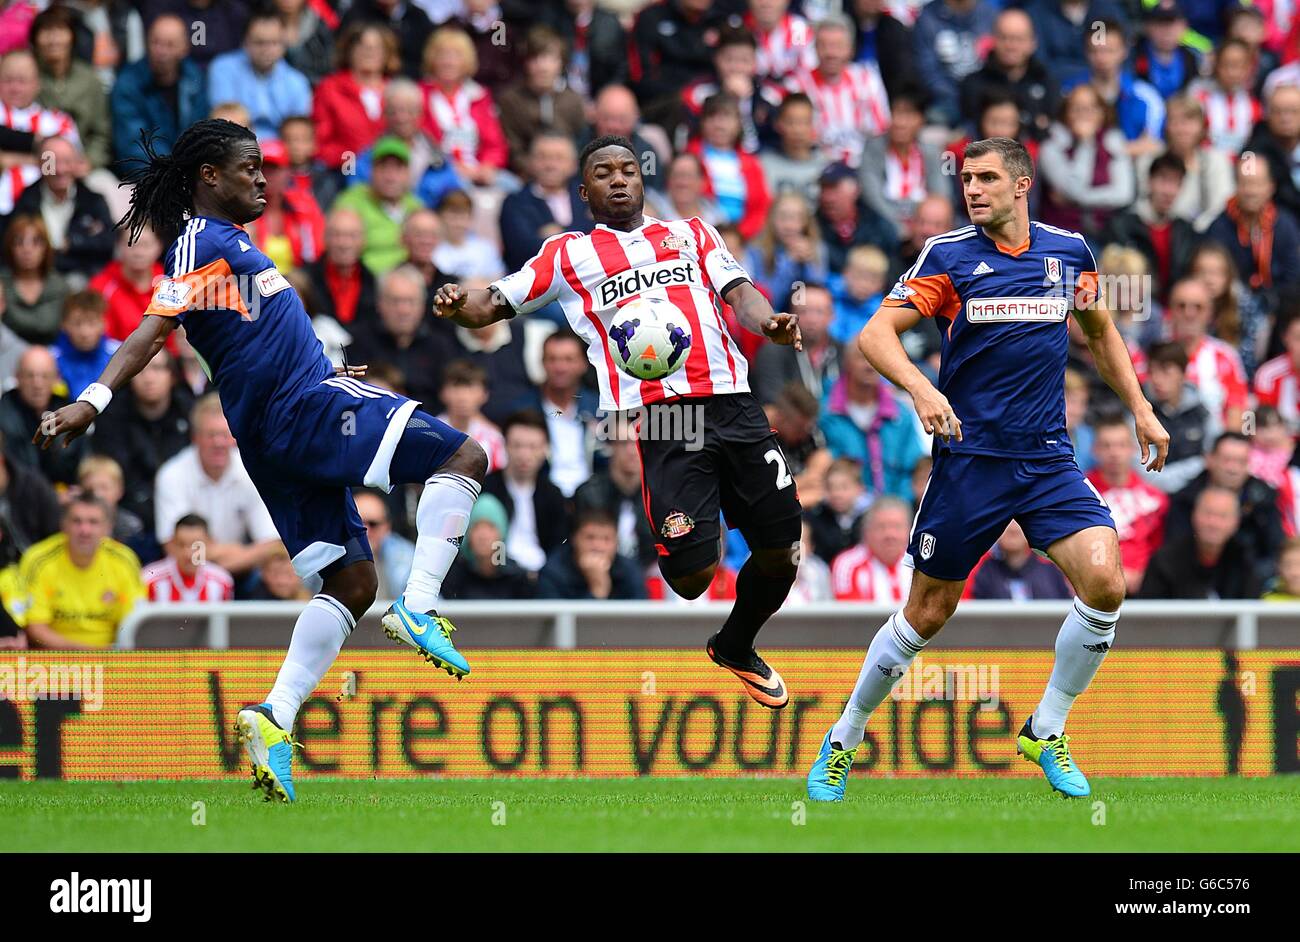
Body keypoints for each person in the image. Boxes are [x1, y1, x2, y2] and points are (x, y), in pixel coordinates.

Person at [36, 118, 489, 803]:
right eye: (248, 166)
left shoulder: (232, 244)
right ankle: (421, 605)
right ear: (209, 177)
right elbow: (153, 328)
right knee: (464, 451)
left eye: (265, 167)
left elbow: (228, 331)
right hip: (305, 409)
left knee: (353, 582)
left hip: (276, 440)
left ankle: (273, 717)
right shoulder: (200, 240)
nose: (262, 177)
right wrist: (92, 402)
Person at [807, 135, 1170, 802]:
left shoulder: (1067, 253)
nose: (972, 189)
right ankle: (844, 737)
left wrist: (1141, 408)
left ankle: (1046, 727)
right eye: (967, 178)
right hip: (970, 461)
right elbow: (874, 335)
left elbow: (1098, 332)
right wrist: (923, 389)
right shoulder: (948, 256)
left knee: (1106, 582)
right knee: (927, 612)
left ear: (1022, 184)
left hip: (1047, 457)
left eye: (987, 178)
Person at [435, 133, 805, 709]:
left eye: (628, 169)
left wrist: (771, 324)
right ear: (585, 191)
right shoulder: (566, 254)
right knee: (691, 578)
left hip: (735, 403)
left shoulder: (693, 233)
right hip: (663, 421)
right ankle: (686, 530)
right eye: (603, 172)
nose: (618, 179)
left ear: (641, 178)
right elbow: (496, 301)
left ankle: (735, 643)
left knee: (784, 550)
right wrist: (461, 303)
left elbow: (741, 293)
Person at [19, 493, 143, 649]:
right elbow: (35, 628)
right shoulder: (37, 559)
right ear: (63, 525)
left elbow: (134, 624)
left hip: (112, 660)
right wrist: (90, 655)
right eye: (77, 521)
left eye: (93, 522)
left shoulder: (125, 560)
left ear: (108, 527)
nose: (85, 530)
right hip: (53, 661)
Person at [819, 341, 924, 502]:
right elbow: (818, 469)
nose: (869, 365)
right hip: (839, 512)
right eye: (862, 358)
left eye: (875, 358)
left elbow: (913, 468)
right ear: (846, 363)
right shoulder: (825, 413)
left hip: (895, 513)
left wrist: (898, 507)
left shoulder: (901, 414)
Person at [786, 15, 889, 169]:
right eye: (824, 45)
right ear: (814, 49)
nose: (831, 53)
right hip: (814, 166)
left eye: (838, 46)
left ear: (851, 49)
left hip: (863, 166)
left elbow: (881, 131)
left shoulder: (868, 80)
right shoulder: (797, 85)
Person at [1086, 413, 1170, 592]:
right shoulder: (1079, 494)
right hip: (1090, 586)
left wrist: (1145, 575)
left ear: (1134, 448)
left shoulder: (1155, 499)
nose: (1114, 453)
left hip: (1144, 589)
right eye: (1106, 446)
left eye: (1121, 445)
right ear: (1094, 450)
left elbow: (1162, 550)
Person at [109, 14, 208, 164]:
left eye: (169, 44)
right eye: (155, 43)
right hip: (147, 174)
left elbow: (201, 131)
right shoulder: (128, 83)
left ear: (184, 48)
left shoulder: (194, 77)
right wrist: (172, 174)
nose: (161, 51)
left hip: (188, 170)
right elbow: (134, 145)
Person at [480, 410, 569, 574]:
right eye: (517, 445)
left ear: (545, 449)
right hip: (496, 572)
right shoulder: (485, 488)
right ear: (505, 446)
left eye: (533, 447)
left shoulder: (552, 494)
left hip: (543, 576)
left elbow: (559, 545)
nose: (524, 454)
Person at [206, 9, 312, 142]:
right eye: (260, 42)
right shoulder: (223, 69)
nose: (267, 49)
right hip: (235, 149)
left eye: (274, 42)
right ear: (245, 42)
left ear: (284, 45)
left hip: (283, 155)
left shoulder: (298, 81)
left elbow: (298, 134)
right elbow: (225, 123)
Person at [1139, 485, 1262, 598]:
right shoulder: (1165, 560)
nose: (1213, 523)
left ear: (1236, 522)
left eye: (1222, 516)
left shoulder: (1245, 562)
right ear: (1194, 516)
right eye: (1208, 514)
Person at [499, 132, 593, 273]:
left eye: (559, 158)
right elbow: (524, 249)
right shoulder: (515, 202)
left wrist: (556, 236)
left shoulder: (589, 195)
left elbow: (601, 236)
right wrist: (581, 232)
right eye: (542, 157)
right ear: (530, 162)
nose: (550, 165)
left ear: (574, 164)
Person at [333, 136, 425, 276]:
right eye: (383, 167)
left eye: (397, 168)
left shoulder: (416, 206)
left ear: (408, 173)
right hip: (364, 282)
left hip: (409, 282)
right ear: (371, 171)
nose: (390, 176)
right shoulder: (352, 201)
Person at [1144, 340, 1214, 494]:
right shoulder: (1139, 411)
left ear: (1183, 373)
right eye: (1151, 372)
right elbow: (1151, 478)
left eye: (1165, 371)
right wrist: (1200, 464)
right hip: (1154, 499)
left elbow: (1216, 460)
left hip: (1199, 496)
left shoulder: (1203, 410)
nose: (1156, 379)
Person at [439, 491, 535, 600]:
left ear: (501, 533)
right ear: (467, 534)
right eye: (476, 527)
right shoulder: (452, 579)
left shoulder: (518, 579)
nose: (483, 535)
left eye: (490, 527)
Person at [537, 507, 646, 600]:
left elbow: (642, 616)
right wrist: (598, 589)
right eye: (590, 538)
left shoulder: (630, 570)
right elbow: (552, 620)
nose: (598, 546)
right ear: (574, 539)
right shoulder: (553, 572)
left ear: (616, 542)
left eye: (606, 539)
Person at [830, 496, 912, 602]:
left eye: (897, 527)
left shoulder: (921, 564)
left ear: (910, 530)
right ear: (866, 532)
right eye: (881, 527)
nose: (890, 535)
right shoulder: (847, 564)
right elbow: (849, 616)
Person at [967, 519, 1073, 599]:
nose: (1013, 527)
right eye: (1007, 520)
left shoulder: (1052, 572)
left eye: (1019, 519)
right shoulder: (981, 570)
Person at [142, 512, 235, 602]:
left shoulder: (222, 581)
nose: (188, 554)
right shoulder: (149, 579)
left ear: (210, 544)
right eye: (181, 545)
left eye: (196, 546)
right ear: (171, 544)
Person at [51, 289, 119, 399]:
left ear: (103, 324)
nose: (84, 332)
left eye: (91, 323)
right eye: (77, 324)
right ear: (64, 325)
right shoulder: (50, 360)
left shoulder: (119, 354)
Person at [352, 488, 414, 602]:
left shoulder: (407, 557)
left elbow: (423, 606)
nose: (365, 531)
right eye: (357, 524)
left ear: (387, 527)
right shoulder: (328, 553)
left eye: (373, 524)